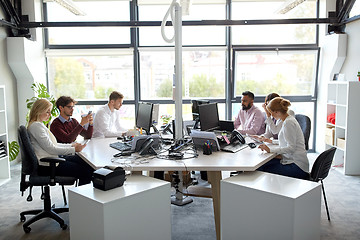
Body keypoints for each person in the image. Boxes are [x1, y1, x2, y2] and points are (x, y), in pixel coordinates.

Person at [27, 99, 94, 185]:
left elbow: (53, 144)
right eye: (47, 112)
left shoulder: (38, 124)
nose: (50, 115)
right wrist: (73, 149)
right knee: (86, 171)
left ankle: (83, 196)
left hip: (52, 159)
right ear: (39, 111)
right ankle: (82, 197)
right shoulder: (36, 126)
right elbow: (51, 148)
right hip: (48, 165)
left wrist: (72, 146)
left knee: (85, 162)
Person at [257, 97, 309, 179]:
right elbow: (287, 140)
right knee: (264, 164)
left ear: (277, 112)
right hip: (292, 161)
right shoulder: (287, 120)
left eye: (271, 113)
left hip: (298, 167)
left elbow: (291, 148)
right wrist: (271, 141)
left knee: (263, 168)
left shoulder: (288, 123)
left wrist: (270, 150)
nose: (272, 116)